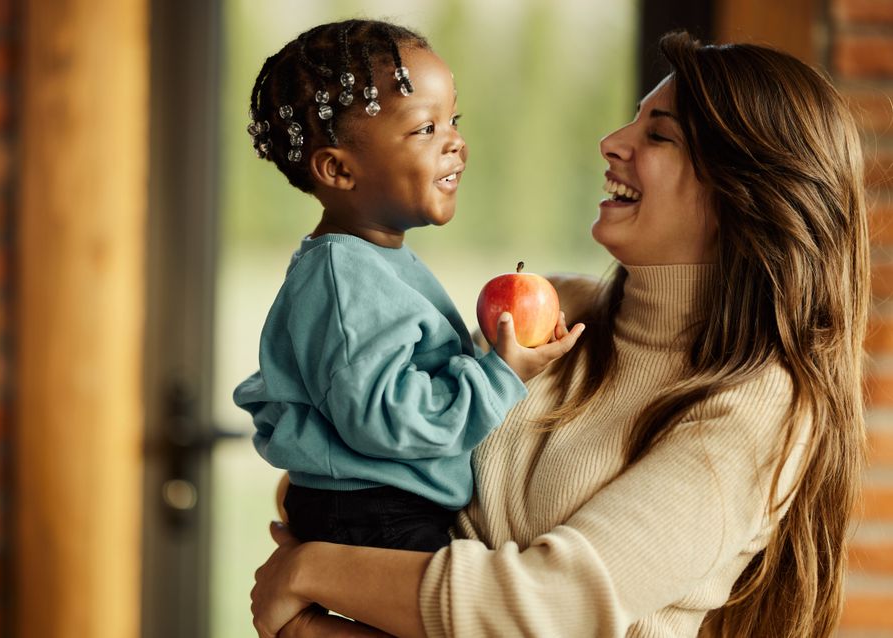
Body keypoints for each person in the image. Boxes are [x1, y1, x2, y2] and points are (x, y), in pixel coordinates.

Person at [250, 31, 869, 638]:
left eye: (657, 135)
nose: (611, 142)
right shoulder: (552, 313)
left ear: (744, 195)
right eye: (634, 121)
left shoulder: (757, 412)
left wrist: (312, 577)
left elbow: (546, 608)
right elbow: (373, 455)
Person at [233, 19, 584, 555]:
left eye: (453, 120)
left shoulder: (373, 261)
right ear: (338, 170)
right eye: (426, 129)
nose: (456, 142)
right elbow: (384, 420)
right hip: (374, 512)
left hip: (383, 505)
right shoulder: (343, 276)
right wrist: (500, 375)